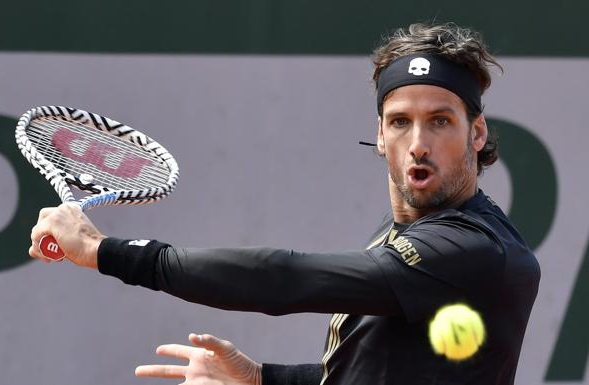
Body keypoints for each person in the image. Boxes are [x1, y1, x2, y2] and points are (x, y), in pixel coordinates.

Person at [29, 22, 540, 385]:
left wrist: (107, 251)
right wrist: (261, 378)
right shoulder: (411, 233)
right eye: (401, 121)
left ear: (477, 133)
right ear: (380, 135)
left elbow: (284, 279)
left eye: (441, 121)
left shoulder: (473, 249)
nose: (419, 142)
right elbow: (376, 370)